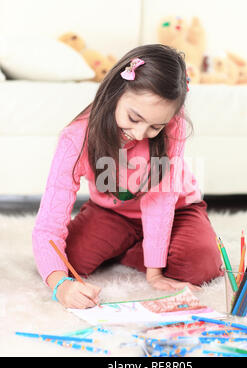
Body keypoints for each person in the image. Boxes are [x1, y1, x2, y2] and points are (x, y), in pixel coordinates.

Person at [32, 44, 223, 309]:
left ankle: (142, 247)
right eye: (134, 117)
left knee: (201, 265)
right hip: (112, 213)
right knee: (65, 261)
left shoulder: (173, 125)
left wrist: (154, 271)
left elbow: (161, 199)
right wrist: (60, 287)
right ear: (114, 93)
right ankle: (134, 244)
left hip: (176, 210)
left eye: (155, 126)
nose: (141, 133)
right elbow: (48, 226)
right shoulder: (75, 139)